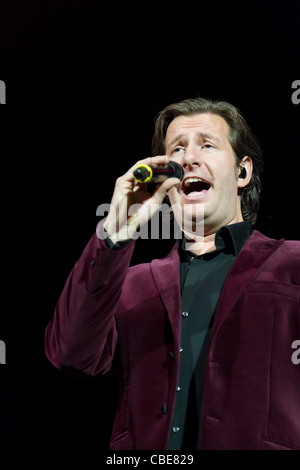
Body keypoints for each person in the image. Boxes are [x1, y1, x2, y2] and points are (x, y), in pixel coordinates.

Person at [44, 97, 300, 451]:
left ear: (242, 172)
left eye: (207, 145)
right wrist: (116, 231)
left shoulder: (293, 263)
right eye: (176, 149)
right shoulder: (132, 284)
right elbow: (70, 354)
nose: (188, 158)